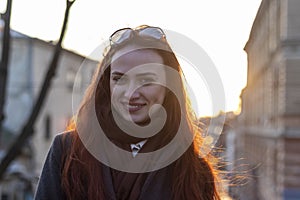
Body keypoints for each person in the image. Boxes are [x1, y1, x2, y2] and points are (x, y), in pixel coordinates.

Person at [35, 25, 225, 200]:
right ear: (106, 84)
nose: (131, 93)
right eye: (119, 79)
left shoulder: (191, 168)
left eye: (146, 80)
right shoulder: (67, 151)